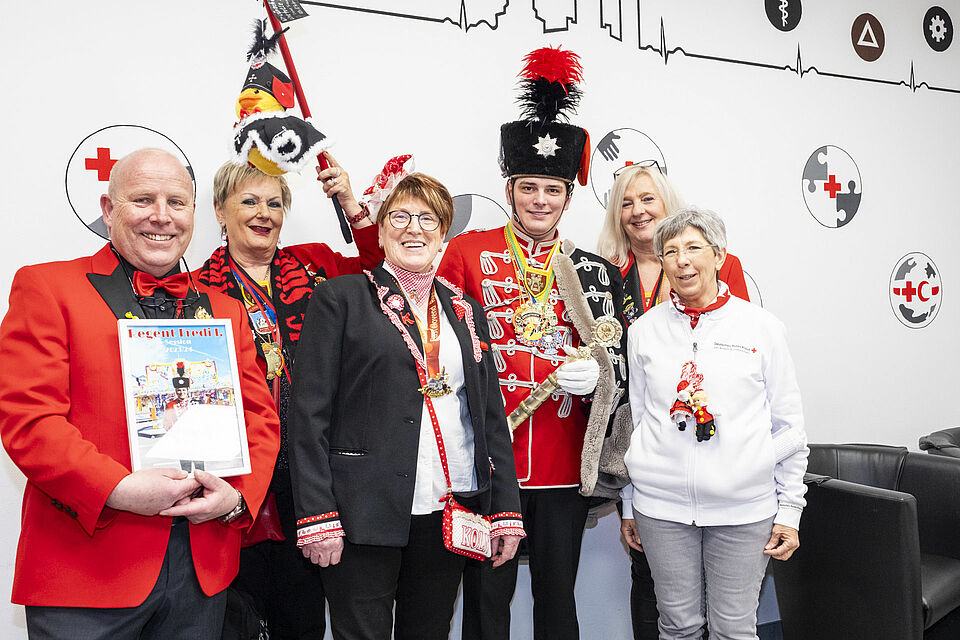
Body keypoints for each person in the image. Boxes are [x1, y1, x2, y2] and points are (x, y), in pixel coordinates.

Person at [0, 148, 280, 640]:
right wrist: (118, 489)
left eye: (177, 202)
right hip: (86, 572)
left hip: (202, 573)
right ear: (109, 210)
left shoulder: (225, 310)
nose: (162, 216)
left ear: (194, 213)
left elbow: (260, 421)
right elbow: (30, 421)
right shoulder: (47, 286)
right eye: (143, 200)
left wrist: (237, 499)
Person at [438, 47, 630, 640]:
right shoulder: (467, 252)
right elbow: (436, 341)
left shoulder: (594, 270)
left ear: (568, 197)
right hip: (490, 461)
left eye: (552, 189)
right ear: (510, 188)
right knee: (486, 600)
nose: (540, 200)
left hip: (563, 460)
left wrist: (599, 379)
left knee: (557, 599)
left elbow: (619, 365)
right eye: (528, 188)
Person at [289, 172, 524, 639]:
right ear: (380, 230)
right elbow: (308, 416)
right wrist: (317, 516)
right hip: (360, 511)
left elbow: (488, 417)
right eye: (400, 217)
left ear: (443, 234)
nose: (414, 228)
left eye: (428, 219)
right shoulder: (341, 298)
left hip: (450, 507)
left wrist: (505, 509)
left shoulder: (465, 309)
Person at [196, 155, 382, 639]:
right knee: (241, 616)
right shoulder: (194, 290)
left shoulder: (316, 264)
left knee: (303, 616)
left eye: (275, 203)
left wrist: (350, 203)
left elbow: (382, 268)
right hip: (240, 480)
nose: (264, 213)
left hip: (314, 474)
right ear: (219, 210)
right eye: (249, 201)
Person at [620, 207, 808, 640]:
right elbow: (638, 421)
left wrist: (790, 509)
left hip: (744, 509)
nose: (682, 260)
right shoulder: (644, 331)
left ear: (719, 255)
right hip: (661, 508)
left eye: (693, 248)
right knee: (678, 627)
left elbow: (789, 428)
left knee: (733, 630)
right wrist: (630, 502)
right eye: (670, 252)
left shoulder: (762, 328)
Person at [596, 163, 751, 639]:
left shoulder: (722, 265)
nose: (638, 211)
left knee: (725, 603)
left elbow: (740, 358)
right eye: (626, 203)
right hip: (642, 449)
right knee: (653, 584)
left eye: (648, 198)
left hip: (714, 451)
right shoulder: (604, 273)